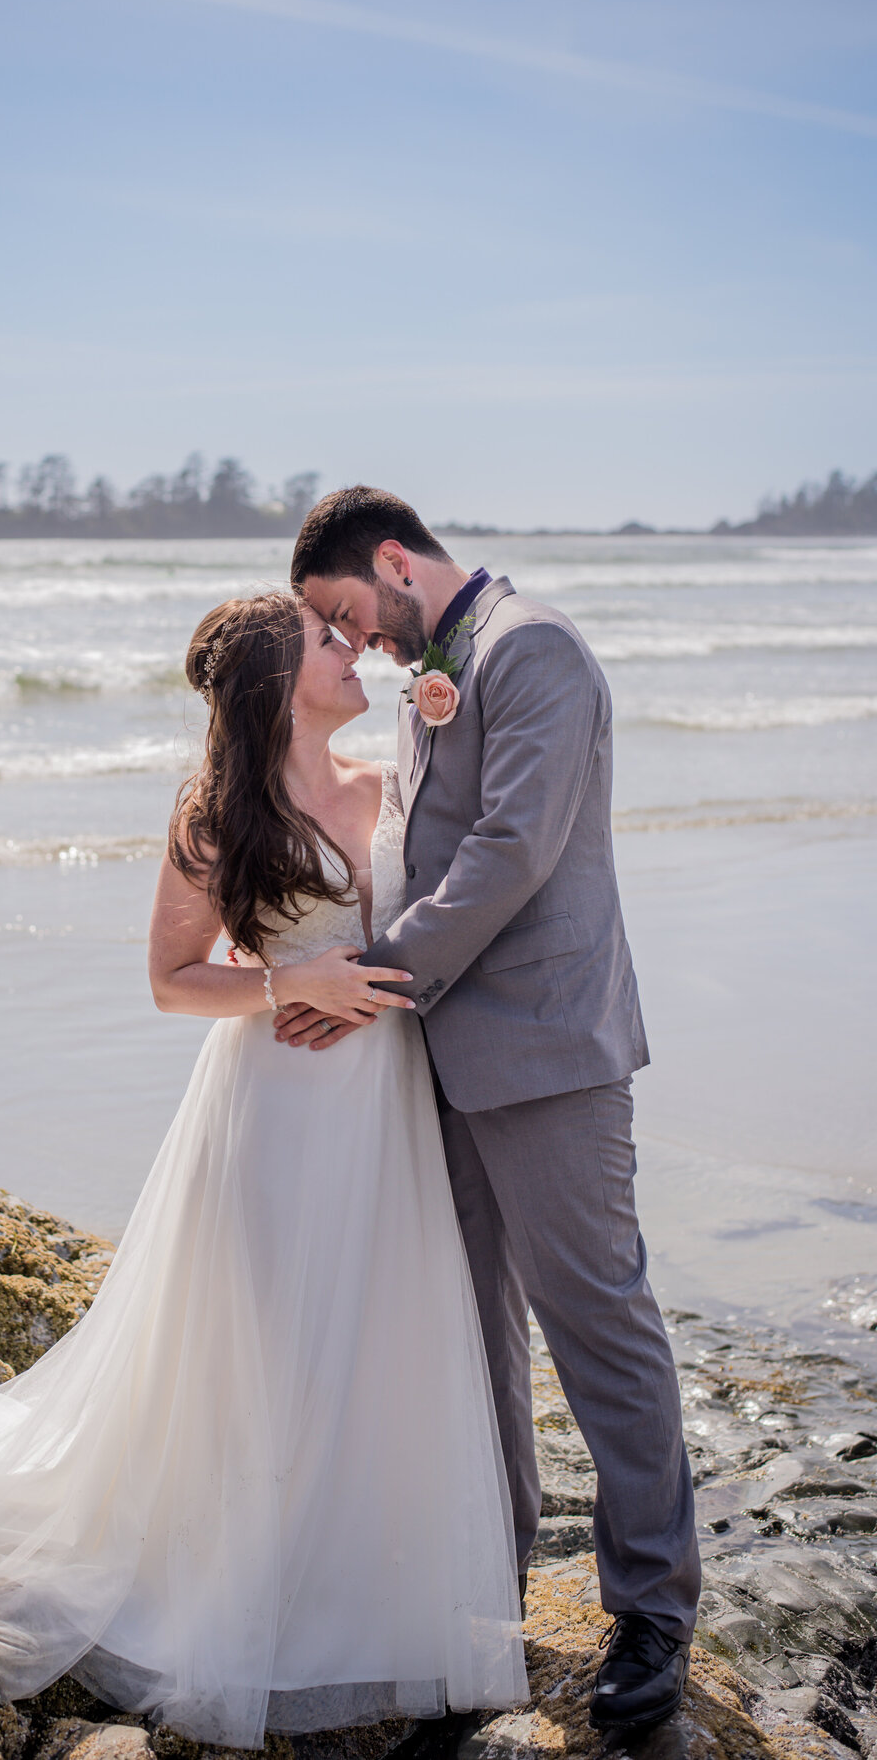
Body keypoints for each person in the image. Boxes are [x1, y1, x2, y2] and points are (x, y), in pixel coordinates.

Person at [0, 590, 526, 1751]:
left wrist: (450, 713)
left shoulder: (393, 780)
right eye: (330, 643)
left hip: (385, 1107)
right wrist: (297, 981)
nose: (354, 652)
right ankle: (248, 1593)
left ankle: (360, 1590)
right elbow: (175, 979)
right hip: (274, 1110)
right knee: (266, 1347)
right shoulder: (217, 813)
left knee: (375, 1332)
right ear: (278, 686)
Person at [283, 487, 701, 1733]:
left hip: (551, 1052)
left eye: (344, 612)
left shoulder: (536, 651)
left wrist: (371, 978)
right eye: (329, 632)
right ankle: (489, 1581)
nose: (351, 643)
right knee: (472, 1337)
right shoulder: (433, 672)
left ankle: (655, 1613)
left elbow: (513, 848)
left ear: (395, 560)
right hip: (444, 1060)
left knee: (600, 1330)